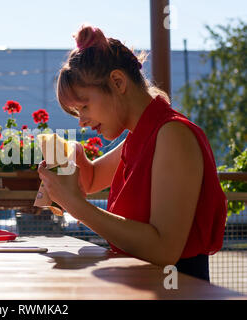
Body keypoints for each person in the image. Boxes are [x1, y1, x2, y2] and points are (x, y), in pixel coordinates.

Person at [37, 24, 227, 282]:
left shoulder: (172, 135)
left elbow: (164, 250)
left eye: (84, 106)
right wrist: (76, 156)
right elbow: (91, 180)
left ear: (117, 82)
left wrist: (75, 205)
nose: (81, 121)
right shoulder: (143, 134)